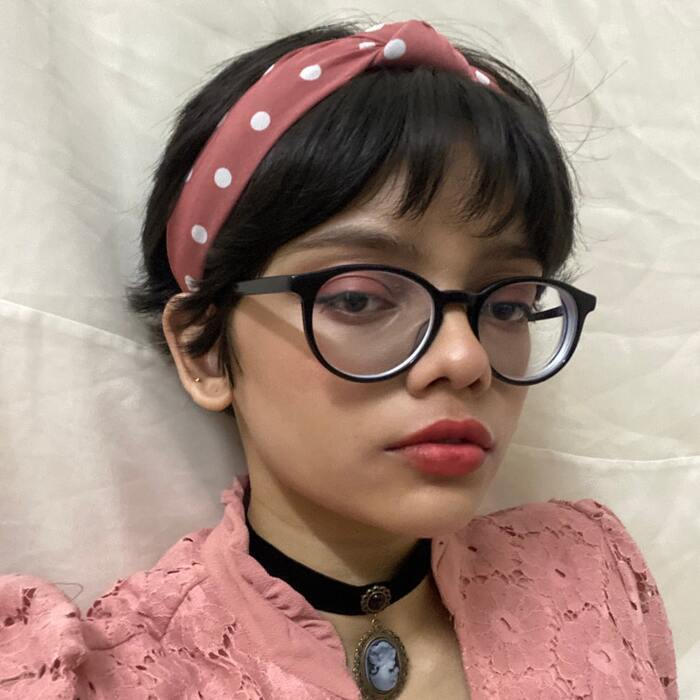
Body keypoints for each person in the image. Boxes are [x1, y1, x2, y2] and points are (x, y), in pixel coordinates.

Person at [0, 18, 677, 700]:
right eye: (359, 299)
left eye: (508, 306)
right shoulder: (101, 675)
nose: (464, 357)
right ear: (204, 348)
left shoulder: (592, 575)